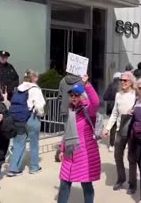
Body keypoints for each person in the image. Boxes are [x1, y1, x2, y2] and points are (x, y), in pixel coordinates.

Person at [57, 75, 100, 203]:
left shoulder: (88, 110)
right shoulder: (71, 110)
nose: (74, 97)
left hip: (84, 154)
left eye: (77, 94)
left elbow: (96, 102)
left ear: (82, 95)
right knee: (64, 183)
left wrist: (87, 84)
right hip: (70, 153)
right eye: (71, 95)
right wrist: (62, 149)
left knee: (86, 184)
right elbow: (67, 132)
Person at [7, 69, 46, 176]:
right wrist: (41, 114)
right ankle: (34, 167)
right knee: (34, 143)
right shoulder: (35, 89)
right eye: (37, 77)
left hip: (19, 119)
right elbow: (39, 105)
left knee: (18, 143)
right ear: (33, 78)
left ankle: (14, 168)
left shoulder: (19, 88)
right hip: (32, 118)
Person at [103, 72, 137, 191]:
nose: (122, 82)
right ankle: (121, 179)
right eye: (121, 80)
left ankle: (132, 184)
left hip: (132, 130)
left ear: (131, 82)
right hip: (119, 129)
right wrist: (107, 128)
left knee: (132, 157)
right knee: (118, 155)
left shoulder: (135, 95)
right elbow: (114, 113)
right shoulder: (118, 95)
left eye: (125, 80)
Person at [55, 72, 83, 162]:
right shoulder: (81, 82)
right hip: (77, 109)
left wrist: (64, 103)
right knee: (77, 132)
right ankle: (75, 154)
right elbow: (85, 96)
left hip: (65, 109)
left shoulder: (63, 81)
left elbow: (59, 96)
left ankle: (66, 152)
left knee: (67, 132)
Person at [103, 72, 121, 152]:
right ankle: (122, 143)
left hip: (111, 107)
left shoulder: (110, 85)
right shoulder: (122, 86)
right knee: (121, 124)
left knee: (113, 126)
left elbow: (105, 97)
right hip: (120, 106)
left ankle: (111, 145)